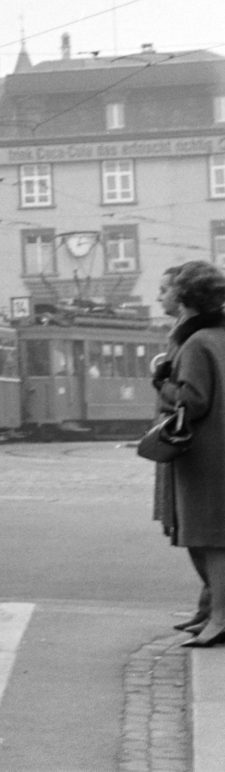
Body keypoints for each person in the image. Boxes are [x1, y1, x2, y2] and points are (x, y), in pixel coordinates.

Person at [158, 260, 225, 648]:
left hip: (205, 454)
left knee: (211, 539)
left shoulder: (197, 342)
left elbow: (192, 401)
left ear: (186, 298)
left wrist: (162, 385)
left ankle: (218, 617)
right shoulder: (218, 335)